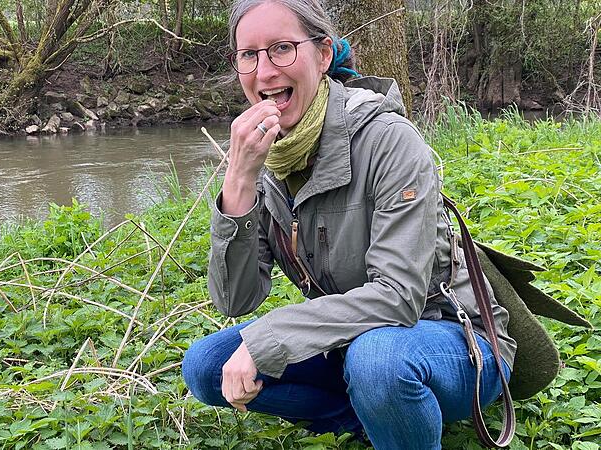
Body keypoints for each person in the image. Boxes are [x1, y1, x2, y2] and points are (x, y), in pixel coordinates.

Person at [181, 0, 517, 448]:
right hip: (350, 343)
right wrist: (239, 182)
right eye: (249, 54)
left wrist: (272, 336)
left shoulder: (388, 140)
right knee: (205, 366)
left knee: (377, 361)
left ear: (323, 54)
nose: (264, 71)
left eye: (282, 48)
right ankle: (365, 413)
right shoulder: (264, 156)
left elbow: (399, 299)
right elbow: (236, 299)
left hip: (452, 339)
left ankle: (388, 400)